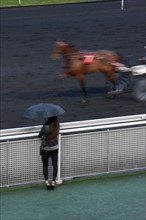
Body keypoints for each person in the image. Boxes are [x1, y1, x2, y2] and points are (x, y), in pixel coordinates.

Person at [38, 116, 60, 190]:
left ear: (48, 118)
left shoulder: (46, 126)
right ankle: (53, 182)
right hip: (55, 148)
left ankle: (47, 183)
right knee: (55, 165)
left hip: (46, 149)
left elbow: (39, 135)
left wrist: (44, 124)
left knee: (45, 166)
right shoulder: (57, 125)